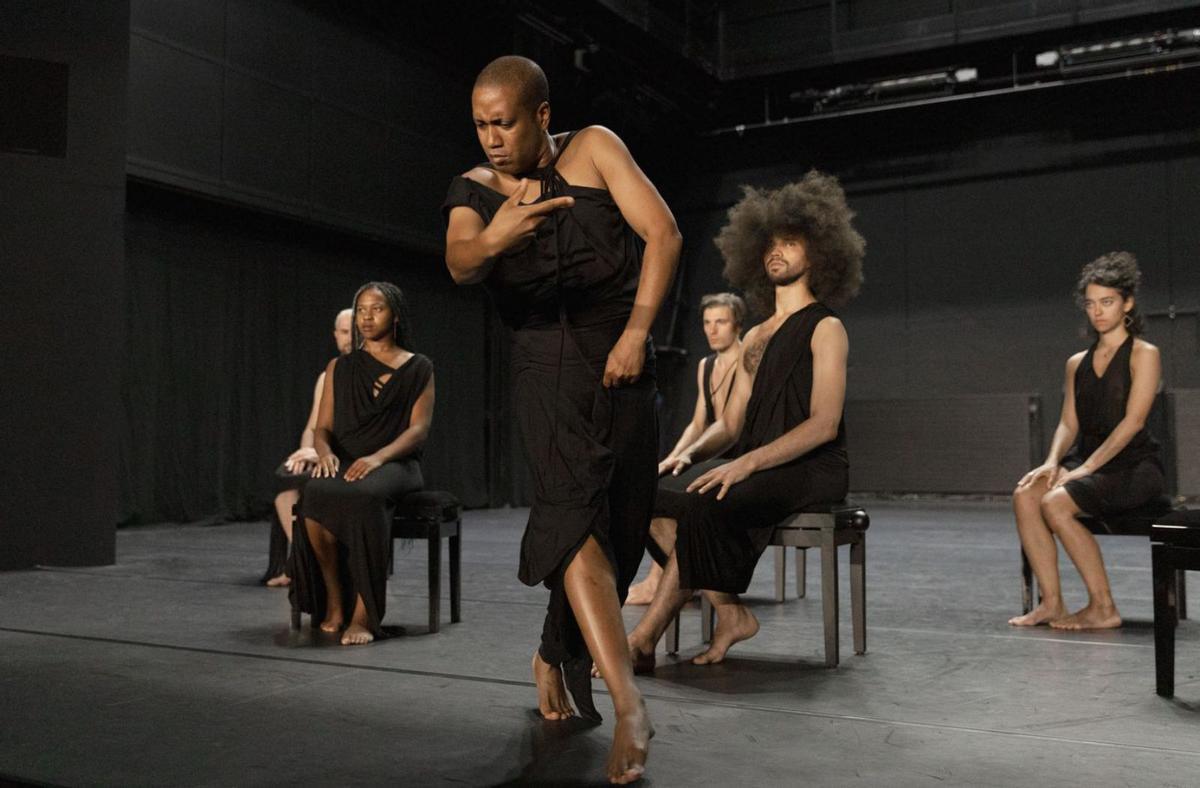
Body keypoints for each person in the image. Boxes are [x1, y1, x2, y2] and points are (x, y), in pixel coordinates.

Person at [443, 55, 680, 784]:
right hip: (544, 370)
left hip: (621, 361)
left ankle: (554, 650)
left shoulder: (595, 147)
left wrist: (639, 333)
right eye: (480, 124)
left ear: (541, 115)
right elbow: (458, 261)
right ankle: (629, 703)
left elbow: (663, 235)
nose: (490, 138)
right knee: (572, 525)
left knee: (622, 528)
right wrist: (495, 239)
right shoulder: (475, 190)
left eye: (503, 123)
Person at [621, 172, 864, 670]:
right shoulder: (753, 338)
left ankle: (643, 639)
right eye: (771, 243)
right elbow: (731, 425)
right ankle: (729, 612)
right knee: (644, 500)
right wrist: (689, 453)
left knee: (705, 505)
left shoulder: (827, 328)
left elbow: (823, 424)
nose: (777, 251)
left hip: (813, 468)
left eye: (791, 243)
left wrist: (746, 465)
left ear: (818, 254)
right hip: (758, 464)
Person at [1009, 252, 1163, 631]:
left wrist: (1086, 469)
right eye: (1092, 304)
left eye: (1107, 302)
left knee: (1056, 504)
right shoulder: (1077, 362)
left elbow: (1134, 422)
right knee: (1026, 494)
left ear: (1127, 303)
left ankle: (1103, 607)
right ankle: (1053, 603)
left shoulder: (1144, 354)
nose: (1098, 312)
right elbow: (1067, 422)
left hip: (1133, 468)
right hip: (1088, 462)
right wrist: (1051, 461)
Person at [289, 282, 434, 646]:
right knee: (316, 489)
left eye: (377, 309)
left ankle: (364, 614)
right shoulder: (341, 367)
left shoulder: (418, 367)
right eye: (362, 310)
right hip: (348, 460)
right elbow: (322, 428)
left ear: (395, 315)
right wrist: (325, 453)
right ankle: (336, 599)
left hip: (396, 464)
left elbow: (419, 429)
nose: (367, 317)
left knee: (366, 494)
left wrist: (378, 457)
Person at [625, 292, 746, 605]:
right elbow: (697, 423)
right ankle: (677, 577)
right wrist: (673, 457)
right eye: (707, 322)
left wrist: (686, 458)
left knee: (667, 494)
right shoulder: (706, 365)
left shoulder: (748, 362)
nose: (712, 329)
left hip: (737, 457)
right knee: (657, 482)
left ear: (738, 325)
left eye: (720, 321)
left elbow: (733, 426)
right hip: (710, 452)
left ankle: (669, 581)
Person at [261, 308, 353, 587]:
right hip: (320, 452)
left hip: (350, 455)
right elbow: (313, 427)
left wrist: (321, 453)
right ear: (336, 335)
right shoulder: (327, 375)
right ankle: (304, 560)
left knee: (311, 483)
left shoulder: (368, 373)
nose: (349, 338)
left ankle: (308, 563)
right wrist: (304, 453)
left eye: (354, 332)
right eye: (344, 332)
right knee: (286, 480)